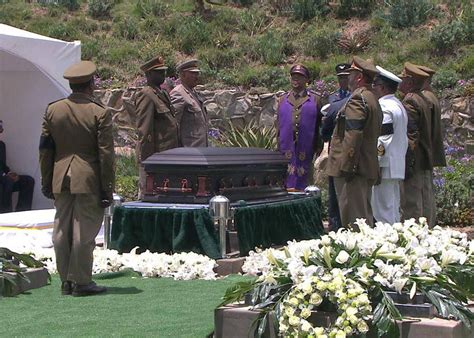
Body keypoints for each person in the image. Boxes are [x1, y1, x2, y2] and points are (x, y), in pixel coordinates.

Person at [39, 60, 115, 297]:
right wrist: (107, 189)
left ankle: (65, 280)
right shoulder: (99, 112)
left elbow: (45, 150)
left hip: (60, 177)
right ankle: (81, 281)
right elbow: (106, 155)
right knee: (84, 233)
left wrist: (46, 180)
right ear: (91, 84)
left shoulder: (53, 109)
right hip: (88, 178)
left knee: (61, 230)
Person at [326, 56, 383, 228]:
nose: (348, 76)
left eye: (351, 73)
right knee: (363, 216)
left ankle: (359, 255)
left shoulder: (358, 99)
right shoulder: (372, 98)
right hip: (364, 166)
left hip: (353, 171)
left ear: (358, 77)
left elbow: (353, 135)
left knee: (354, 221)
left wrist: (347, 167)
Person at [135, 56, 180, 198]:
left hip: (169, 155)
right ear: (148, 75)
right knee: (151, 195)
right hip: (157, 157)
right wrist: (148, 162)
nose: (163, 75)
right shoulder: (147, 95)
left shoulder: (162, 93)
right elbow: (145, 130)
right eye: (158, 72)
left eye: (164, 72)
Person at [370, 66, 408, 224]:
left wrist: (377, 163)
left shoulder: (384, 107)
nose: (373, 89)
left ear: (382, 87)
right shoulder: (398, 104)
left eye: (375, 86)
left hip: (385, 165)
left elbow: (383, 138)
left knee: (382, 210)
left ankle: (387, 244)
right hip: (396, 164)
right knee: (392, 207)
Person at [277, 64, 324, 191]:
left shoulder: (315, 100)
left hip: (307, 150)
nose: (296, 79)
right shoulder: (282, 99)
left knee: (306, 185)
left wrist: (319, 147)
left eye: (300, 77)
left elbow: (320, 125)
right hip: (287, 151)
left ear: (307, 80)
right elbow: (278, 127)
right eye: (293, 76)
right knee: (286, 183)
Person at [398, 62, 433, 224]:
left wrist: (407, 162)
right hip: (424, 156)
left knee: (411, 202)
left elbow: (411, 135)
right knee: (425, 199)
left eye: (403, 79)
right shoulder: (423, 98)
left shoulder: (410, 101)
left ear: (410, 82)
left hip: (415, 158)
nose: (400, 82)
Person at [321, 63, 351, 230]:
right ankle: (334, 222)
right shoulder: (332, 98)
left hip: (348, 143)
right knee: (333, 187)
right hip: (334, 144)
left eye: (346, 77)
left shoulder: (354, 97)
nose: (343, 81)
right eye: (340, 78)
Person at [416, 64, 446, 226]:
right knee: (427, 189)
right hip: (431, 148)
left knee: (424, 191)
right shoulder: (431, 96)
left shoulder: (425, 98)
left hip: (425, 149)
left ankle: (428, 224)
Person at [170, 59, 208, 147]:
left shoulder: (193, 92)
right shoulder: (178, 93)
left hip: (200, 148)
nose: (197, 76)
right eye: (193, 74)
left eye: (197, 73)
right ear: (183, 75)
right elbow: (173, 125)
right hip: (189, 150)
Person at [0, 120, 35, 213]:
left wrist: (9, 173)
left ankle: (22, 212)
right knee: (8, 181)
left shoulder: (1, 145)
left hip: (3, 177)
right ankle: (5, 214)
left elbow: (3, 165)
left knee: (28, 181)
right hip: (2, 179)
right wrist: (5, 176)